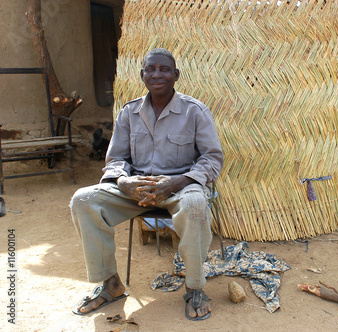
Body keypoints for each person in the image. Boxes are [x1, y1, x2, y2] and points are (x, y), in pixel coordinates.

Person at [70, 48, 224, 321]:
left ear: (176, 75)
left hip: (180, 185)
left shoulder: (195, 111)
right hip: (135, 188)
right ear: (142, 75)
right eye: (151, 69)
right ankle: (111, 285)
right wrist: (123, 181)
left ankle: (195, 287)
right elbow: (116, 158)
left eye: (164, 69)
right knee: (83, 200)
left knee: (196, 204)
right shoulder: (129, 112)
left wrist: (178, 181)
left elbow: (212, 159)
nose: (157, 74)